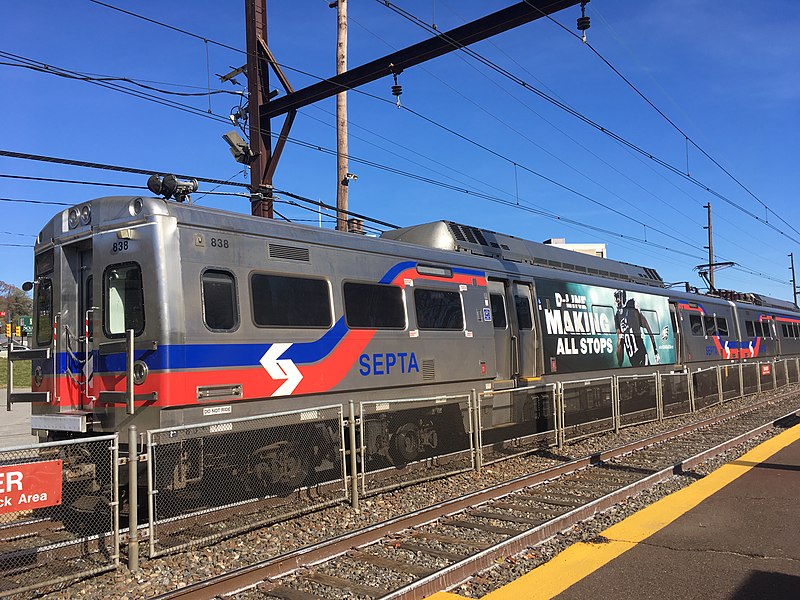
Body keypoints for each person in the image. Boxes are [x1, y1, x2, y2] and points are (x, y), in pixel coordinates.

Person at [614, 289, 659, 367]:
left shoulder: (632, 307)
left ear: (622, 297)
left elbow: (648, 328)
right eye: (616, 297)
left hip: (641, 353)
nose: (617, 300)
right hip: (633, 359)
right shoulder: (617, 316)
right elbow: (620, 342)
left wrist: (655, 351)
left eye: (618, 297)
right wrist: (619, 365)